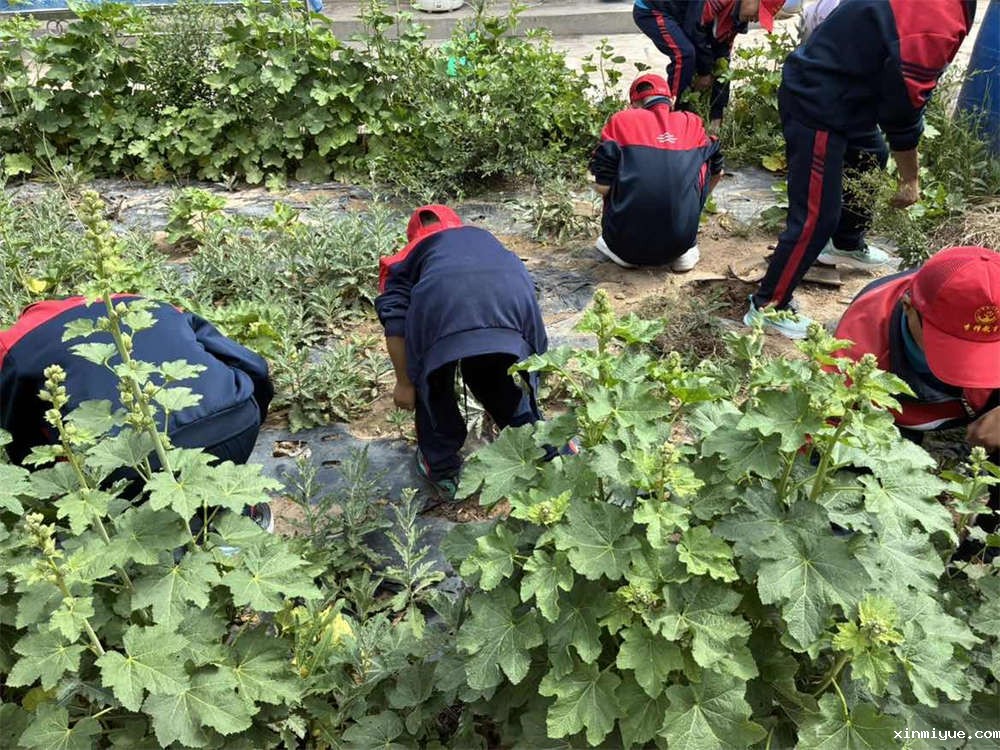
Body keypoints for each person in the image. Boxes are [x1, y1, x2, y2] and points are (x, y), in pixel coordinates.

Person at [745, 0, 977, 339]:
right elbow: (903, 106)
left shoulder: (948, 8)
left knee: (871, 153)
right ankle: (768, 306)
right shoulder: (934, 19)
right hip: (819, 101)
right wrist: (909, 178)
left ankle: (846, 241)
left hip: (850, 94)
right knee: (816, 216)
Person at [0, 295, 275, 529]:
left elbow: (19, 435)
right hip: (236, 417)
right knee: (214, 490)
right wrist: (253, 413)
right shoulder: (146, 303)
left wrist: (63, 486)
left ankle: (165, 552)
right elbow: (255, 367)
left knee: (147, 523)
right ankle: (242, 520)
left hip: (130, 462)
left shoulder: (11, 345)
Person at [375, 205, 551, 500]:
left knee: (433, 385)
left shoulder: (403, 259)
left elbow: (397, 323)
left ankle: (442, 468)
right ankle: (548, 447)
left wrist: (405, 383)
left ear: (413, 237)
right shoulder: (484, 239)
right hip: (513, 310)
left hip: (442, 310)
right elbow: (520, 282)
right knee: (492, 374)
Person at [833, 246, 999, 548]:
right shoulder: (855, 352)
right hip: (891, 414)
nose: (965, 369)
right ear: (909, 307)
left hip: (980, 403)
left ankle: (985, 546)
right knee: (852, 492)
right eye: (953, 346)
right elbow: (822, 442)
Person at [588, 73, 724, 271]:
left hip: (624, 248)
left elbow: (602, 187)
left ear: (633, 104)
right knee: (701, 164)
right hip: (680, 243)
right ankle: (687, 246)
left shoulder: (621, 120)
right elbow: (718, 172)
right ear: (672, 100)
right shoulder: (691, 123)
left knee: (613, 172)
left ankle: (623, 245)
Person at [632, 0, 786, 122]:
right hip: (652, 9)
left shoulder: (736, 20)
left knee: (708, 60)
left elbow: (723, 62)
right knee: (685, 55)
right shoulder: (719, 2)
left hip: (683, 17)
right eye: (759, 12)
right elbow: (693, 28)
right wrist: (704, 72)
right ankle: (671, 116)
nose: (756, 19)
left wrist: (717, 116)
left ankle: (694, 116)